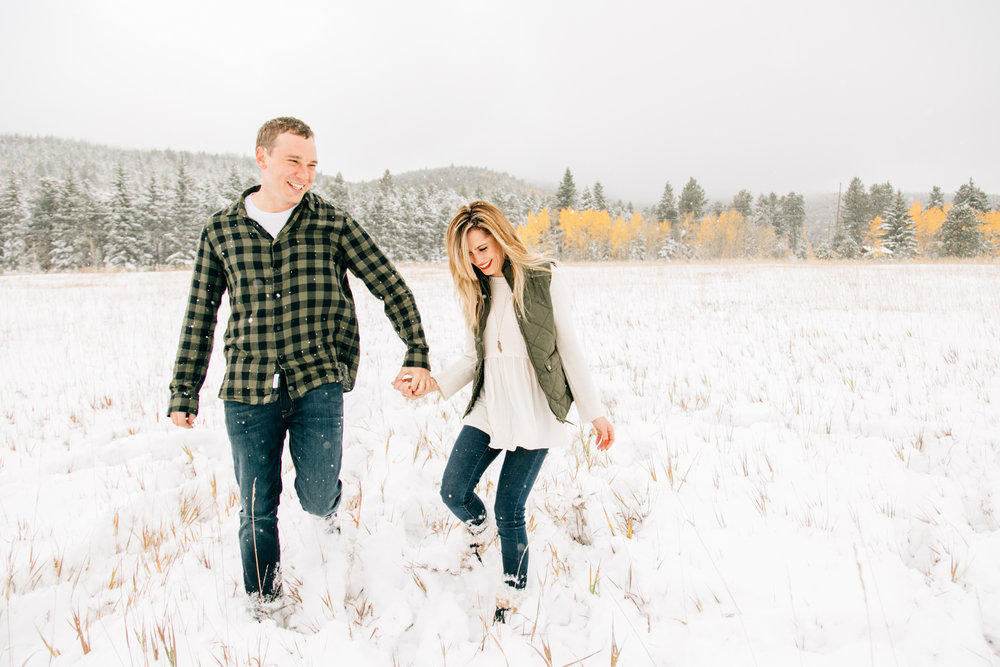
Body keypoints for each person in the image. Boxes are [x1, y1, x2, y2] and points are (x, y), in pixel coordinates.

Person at [167, 117, 431, 614]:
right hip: (247, 387)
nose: (304, 174)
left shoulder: (331, 222)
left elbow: (389, 284)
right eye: (293, 161)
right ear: (262, 157)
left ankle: (326, 516)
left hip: (317, 382)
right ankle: (265, 603)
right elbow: (201, 312)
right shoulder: (221, 230)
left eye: (311, 164)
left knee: (314, 493)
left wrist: (415, 351)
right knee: (255, 506)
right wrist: (185, 390)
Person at [397, 201, 614, 623]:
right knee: (453, 490)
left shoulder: (542, 276)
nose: (480, 260)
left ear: (499, 235)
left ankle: (512, 592)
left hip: (534, 409)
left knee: (509, 508)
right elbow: (472, 357)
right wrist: (434, 383)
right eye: (470, 255)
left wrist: (595, 412)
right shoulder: (475, 291)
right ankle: (479, 533)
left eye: (484, 247)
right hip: (490, 405)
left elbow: (568, 347)